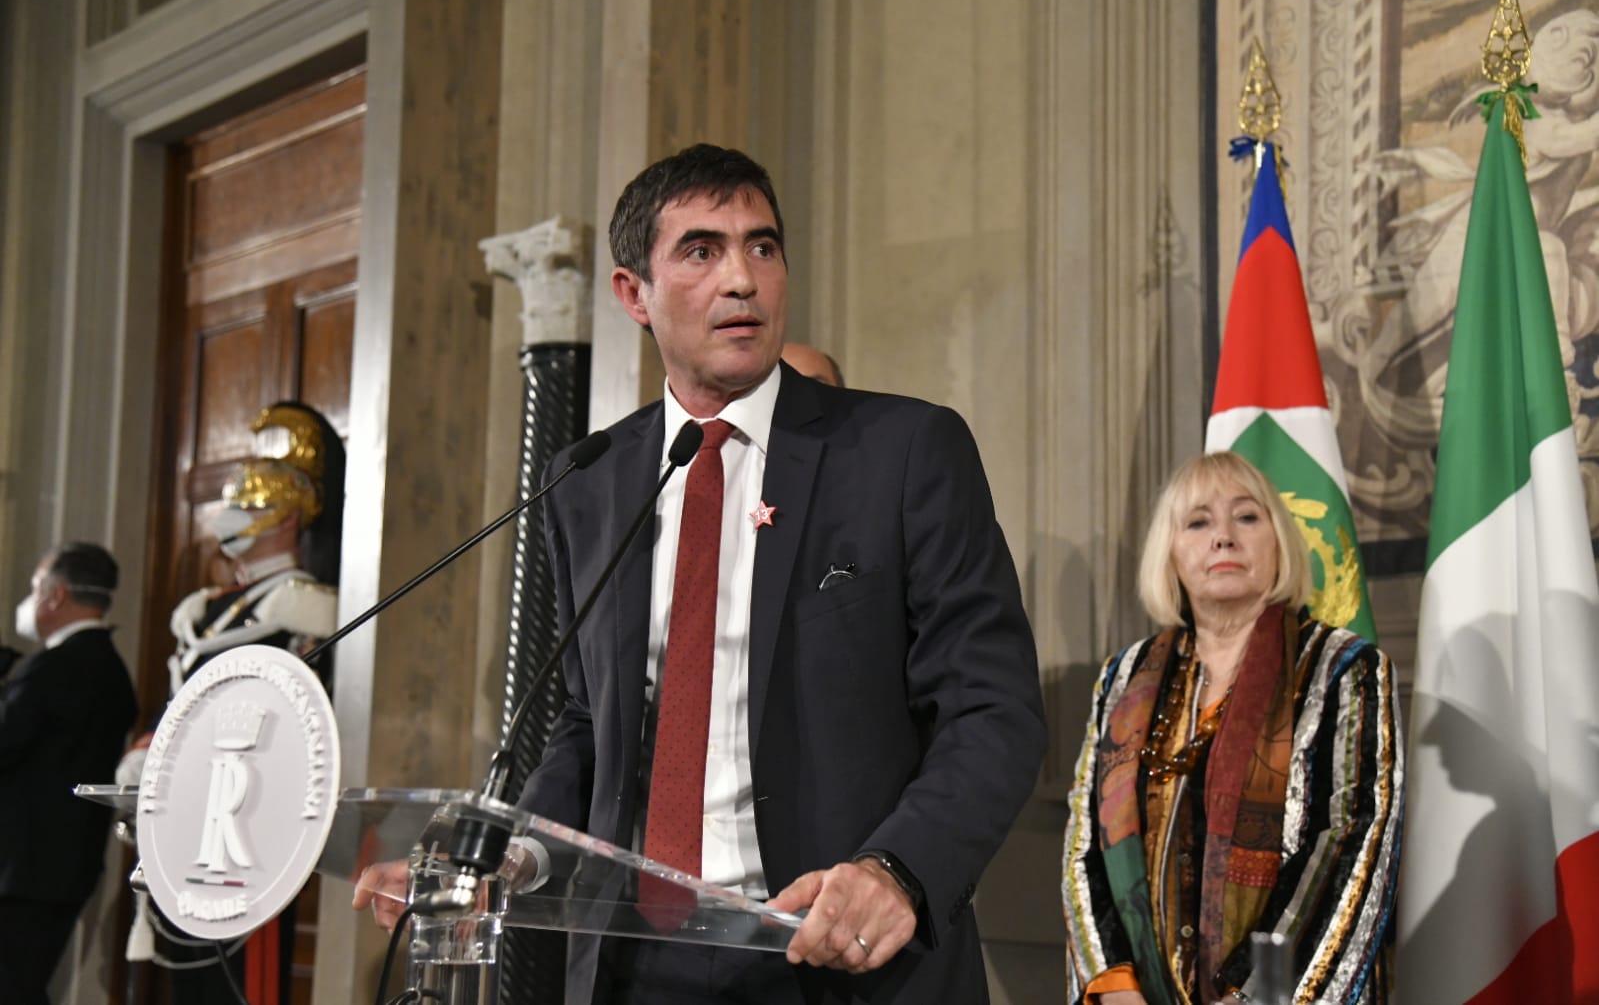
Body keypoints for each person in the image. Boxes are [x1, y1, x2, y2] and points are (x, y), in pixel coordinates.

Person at [357, 144, 1045, 1003]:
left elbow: (992, 707)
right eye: (700, 251)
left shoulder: (901, 452)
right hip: (633, 962)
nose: (742, 280)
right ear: (632, 294)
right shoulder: (589, 481)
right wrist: (512, 853)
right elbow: (589, 723)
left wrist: (897, 870)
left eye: (762, 247)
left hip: (835, 954)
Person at [1061, 451, 1403, 1005]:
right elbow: (1085, 846)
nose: (1223, 537)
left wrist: (1249, 993)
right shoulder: (1123, 677)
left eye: (1246, 517)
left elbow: (1354, 842)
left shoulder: (1345, 668)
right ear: (1170, 553)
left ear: (1280, 542)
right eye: (1198, 522)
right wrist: (1116, 985)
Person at [122, 400, 344, 1005]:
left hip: (249, 810)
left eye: (248, 506)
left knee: (238, 983)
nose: (231, 518)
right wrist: (148, 748)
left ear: (287, 517)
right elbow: (181, 697)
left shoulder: (301, 605)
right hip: (185, 808)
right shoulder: (206, 608)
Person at [0, 542, 138, 1005]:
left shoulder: (54, 668)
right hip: (66, 866)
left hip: (22, 869)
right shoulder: (113, 671)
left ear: (56, 594)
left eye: (36, 587)